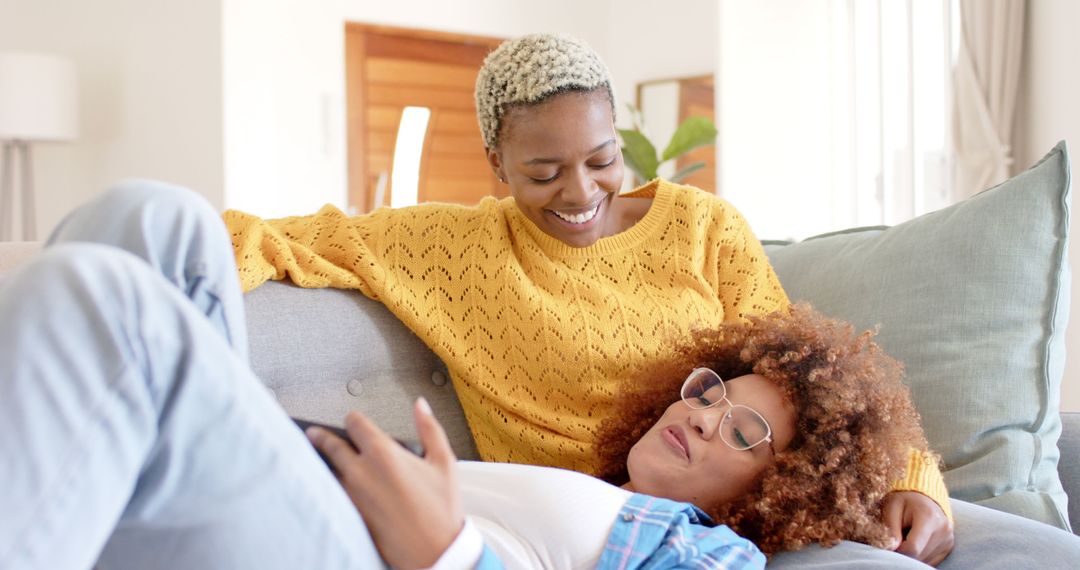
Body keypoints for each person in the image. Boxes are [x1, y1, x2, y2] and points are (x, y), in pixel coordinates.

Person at [222, 32, 956, 564]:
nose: (580, 195)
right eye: (542, 172)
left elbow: (806, 388)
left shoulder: (703, 226)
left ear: (619, 140)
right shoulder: (453, 247)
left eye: (601, 161)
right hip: (568, 535)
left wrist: (917, 484)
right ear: (496, 163)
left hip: (726, 526)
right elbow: (269, 237)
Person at [0, 182, 930, 569]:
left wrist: (451, 550)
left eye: (744, 434)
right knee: (154, 219)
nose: (704, 415)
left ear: (782, 493)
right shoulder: (586, 480)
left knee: (101, 298)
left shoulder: (703, 554)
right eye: (712, 392)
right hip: (314, 492)